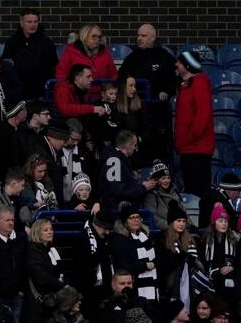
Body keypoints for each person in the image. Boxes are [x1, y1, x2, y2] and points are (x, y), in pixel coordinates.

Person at [118, 23, 177, 160]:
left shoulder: (164, 56)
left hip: (157, 112)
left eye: (143, 36)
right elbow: (122, 77)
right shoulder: (133, 57)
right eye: (138, 35)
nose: (139, 38)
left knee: (158, 148)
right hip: (136, 110)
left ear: (153, 37)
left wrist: (166, 91)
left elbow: (173, 79)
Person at [173, 50, 214, 199]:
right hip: (188, 148)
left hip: (197, 148)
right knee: (191, 190)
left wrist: (190, 137)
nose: (176, 64)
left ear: (187, 65)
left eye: (179, 62)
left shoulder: (199, 83)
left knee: (198, 192)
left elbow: (203, 114)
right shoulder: (186, 85)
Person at [1, 8, 58, 101]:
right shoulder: (12, 41)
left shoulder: (46, 42)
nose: (33, 25)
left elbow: (53, 66)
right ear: (21, 23)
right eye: (29, 22)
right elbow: (5, 64)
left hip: (40, 86)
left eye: (35, 22)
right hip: (17, 86)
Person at [97, 129, 154, 210]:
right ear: (128, 145)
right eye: (135, 145)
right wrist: (143, 187)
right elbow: (118, 192)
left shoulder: (121, 160)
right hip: (115, 213)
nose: (136, 149)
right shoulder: (114, 161)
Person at [112, 207, 159, 303]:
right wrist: (144, 265)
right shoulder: (120, 240)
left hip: (152, 283)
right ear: (125, 222)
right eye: (132, 218)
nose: (136, 220)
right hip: (133, 286)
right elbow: (122, 267)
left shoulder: (145, 237)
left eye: (138, 217)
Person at [54, 23, 118, 93]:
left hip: (100, 97)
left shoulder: (105, 54)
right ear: (84, 36)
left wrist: (109, 89)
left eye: (99, 37)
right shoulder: (70, 52)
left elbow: (113, 76)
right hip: (76, 97)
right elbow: (61, 76)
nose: (97, 39)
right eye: (94, 36)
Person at [199, 203, 241, 302]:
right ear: (214, 222)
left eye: (226, 221)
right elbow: (202, 262)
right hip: (210, 279)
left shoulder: (234, 240)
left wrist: (232, 267)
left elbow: (240, 260)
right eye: (220, 221)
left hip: (229, 279)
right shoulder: (205, 240)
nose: (224, 224)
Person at [142, 161, 186, 230]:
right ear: (156, 180)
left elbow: (183, 211)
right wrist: (171, 226)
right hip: (165, 231)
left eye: (168, 178)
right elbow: (153, 218)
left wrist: (190, 225)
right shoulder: (151, 195)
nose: (166, 181)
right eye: (163, 178)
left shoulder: (174, 191)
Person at [19, 154, 59, 226]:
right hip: (32, 222)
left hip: (50, 221)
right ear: (31, 169)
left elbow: (55, 202)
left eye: (44, 171)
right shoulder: (24, 184)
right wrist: (34, 205)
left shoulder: (48, 181)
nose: (43, 174)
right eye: (39, 171)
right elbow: (22, 204)